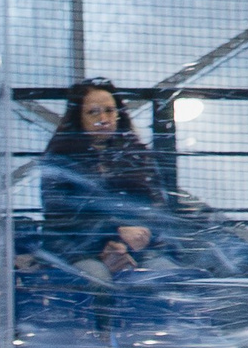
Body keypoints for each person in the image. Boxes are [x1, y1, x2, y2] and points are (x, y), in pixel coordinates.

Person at [41, 78, 176, 282]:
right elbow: (61, 220)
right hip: (79, 252)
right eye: (93, 112)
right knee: (97, 280)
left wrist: (135, 238)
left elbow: (157, 210)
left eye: (109, 111)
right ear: (78, 118)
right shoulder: (60, 161)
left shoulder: (138, 156)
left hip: (138, 251)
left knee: (165, 277)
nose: (103, 119)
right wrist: (113, 234)